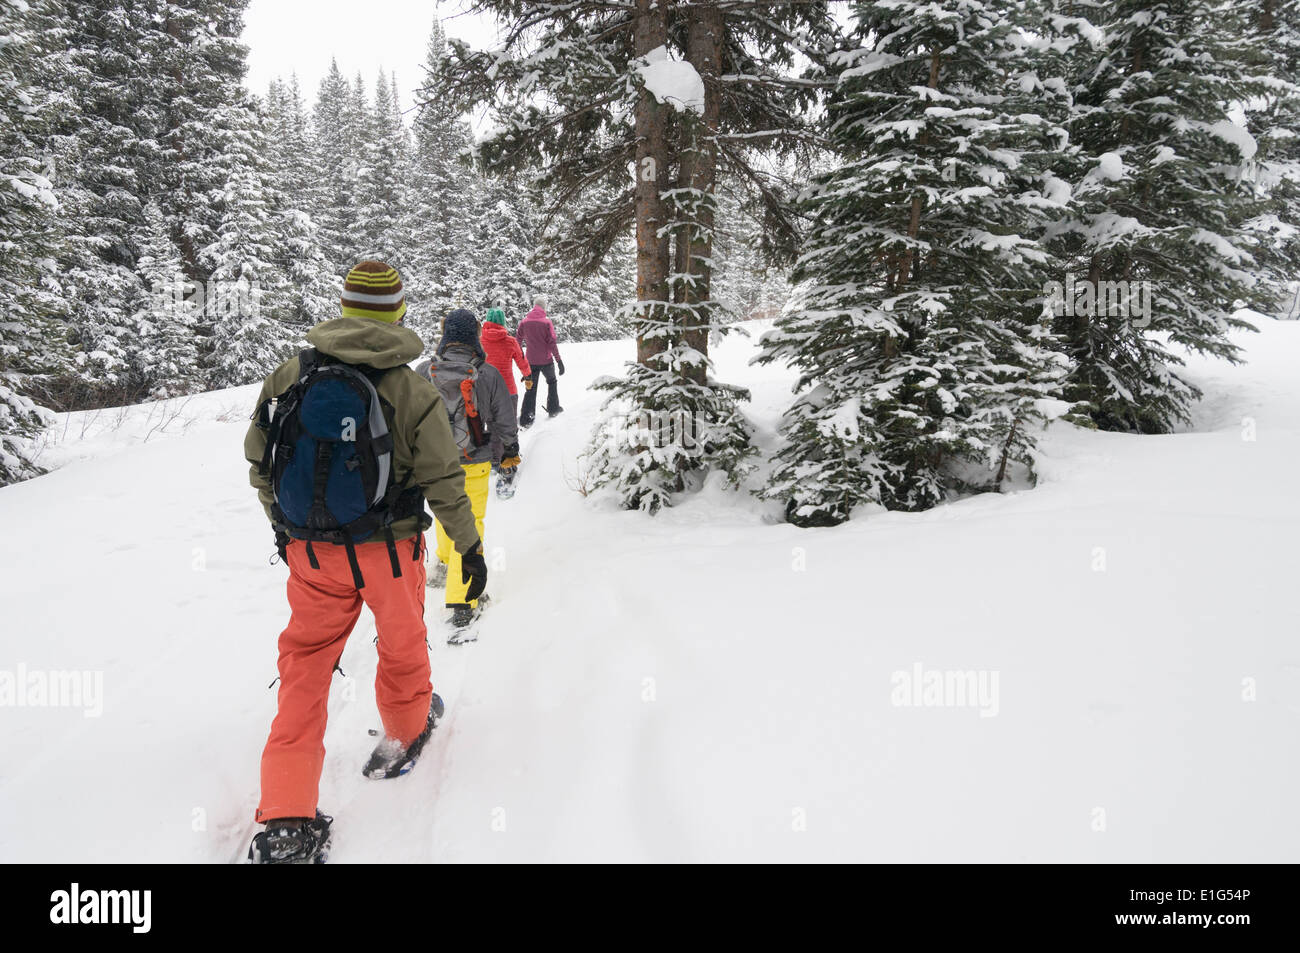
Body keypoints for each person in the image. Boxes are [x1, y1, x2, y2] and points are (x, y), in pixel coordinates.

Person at [242, 261, 487, 865]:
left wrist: (284, 525)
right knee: (402, 644)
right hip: (388, 552)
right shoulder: (411, 389)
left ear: (345, 306)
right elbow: (443, 481)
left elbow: (259, 459)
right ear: (399, 311)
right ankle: (404, 730)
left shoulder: (292, 374)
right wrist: (471, 549)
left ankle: (286, 817)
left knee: (304, 664)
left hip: (312, 554)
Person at [416, 309, 520, 631]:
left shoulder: (423, 371)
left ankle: (444, 562)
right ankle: (464, 600)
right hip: (473, 461)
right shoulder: (487, 375)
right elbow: (504, 419)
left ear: (445, 335)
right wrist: (510, 450)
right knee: (471, 523)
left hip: (433, 464)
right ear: (475, 336)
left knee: (446, 511)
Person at [517, 294, 564, 427]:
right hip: (546, 360)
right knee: (552, 382)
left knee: (531, 388)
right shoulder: (546, 322)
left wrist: (520, 356)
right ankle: (553, 408)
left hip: (530, 361)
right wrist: (559, 361)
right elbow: (552, 343)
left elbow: (518, 340)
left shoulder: (524, 322)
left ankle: (527, 417)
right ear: (544, 307)